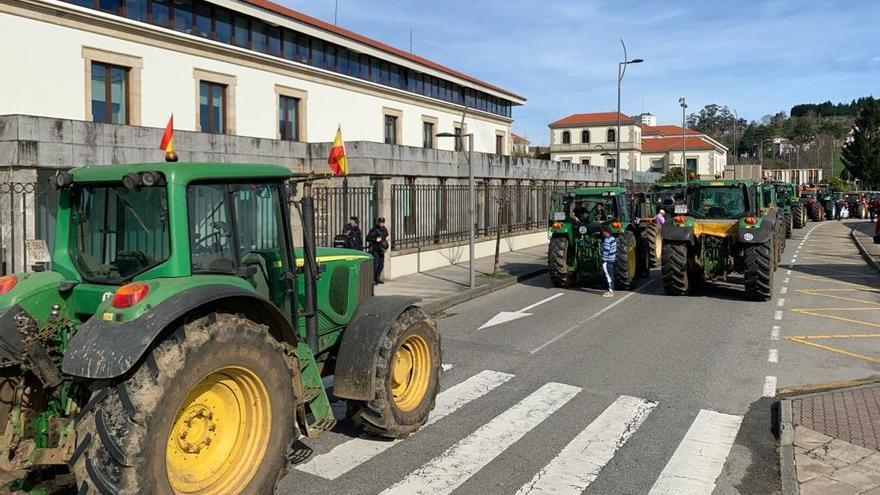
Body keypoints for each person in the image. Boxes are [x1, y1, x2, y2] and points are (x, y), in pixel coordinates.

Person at [366, 217, 389, 284]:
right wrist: (375, 239)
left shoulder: (384, 229)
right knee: (376, 264)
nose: (382, 224)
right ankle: (373, 279)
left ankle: (377, 278)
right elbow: (367, 238)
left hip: (381, 249)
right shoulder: (374, 229)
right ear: (378, 222)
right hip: (375, 249)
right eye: (380, 222)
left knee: (381, 264)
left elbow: (386, 234)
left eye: (383, 222)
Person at [600, 228, 617, 297]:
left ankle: (611, 291)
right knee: (611, 275)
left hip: (607, 260)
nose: (602, 234)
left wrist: (603, 259)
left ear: (606, 232)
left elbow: (606, 250)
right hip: (612, 259)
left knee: (608, 276)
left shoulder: (607, 240)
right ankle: (610, 290)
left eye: (603, 232)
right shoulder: (613, 239)